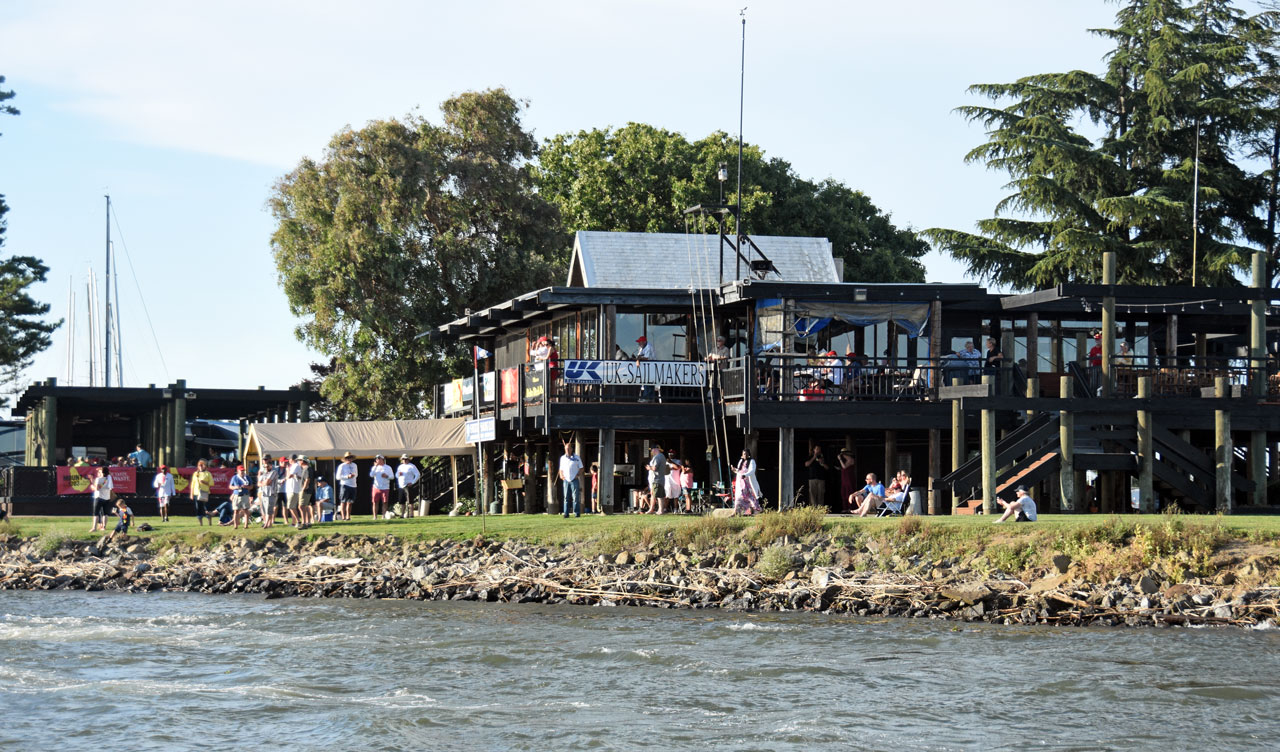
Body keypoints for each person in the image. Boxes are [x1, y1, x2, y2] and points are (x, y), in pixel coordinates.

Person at [558, 441, 583, 518]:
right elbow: (560, 469)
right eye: (566, 449)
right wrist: (561, 475)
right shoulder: (562, 458)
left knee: (575, 497)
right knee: (566, 497)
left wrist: (577, 475)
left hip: (574, 479)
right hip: (566, 480)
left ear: (572, 449)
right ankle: (566, 513)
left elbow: (581, 468)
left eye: (568, 449)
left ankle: (576, 513)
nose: (567, 450)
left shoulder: (576, 457)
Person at [733, 449, 761, 515]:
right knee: (739, 497)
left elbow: (752, 470)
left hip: (749, 483)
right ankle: (736, 512)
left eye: (746, 454)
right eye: (744, 454)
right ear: (742, 455)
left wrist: (745, 475)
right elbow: (739, 471)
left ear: (749, 455)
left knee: (751, 497)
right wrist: (734, 470)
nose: (745, 455)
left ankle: (754, 512)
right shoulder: (740, 461)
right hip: (741, 483)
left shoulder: (752, 461)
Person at [257, 454, 279, 528]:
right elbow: (258, 483)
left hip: (271, 492)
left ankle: (268, 523)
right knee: (263, 508)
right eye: (264, 459)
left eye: (266, 459)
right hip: (263, 492)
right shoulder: (262, 469)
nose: (264, 461)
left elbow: (267, 482)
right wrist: (263, 483)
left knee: (269, 509)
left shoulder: (274, 471)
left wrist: (263, 483)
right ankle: (266, 523)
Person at [369, 454, 394, 519]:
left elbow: (392, 477)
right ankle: (375, 516)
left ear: (382, 460)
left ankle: (383, 516)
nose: (377, 460)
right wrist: (375, 467)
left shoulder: (388, 467)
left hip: (385, 487)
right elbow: (371, 475)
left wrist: (387, 476)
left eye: (379, 459)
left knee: (385, 502)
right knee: (375, 502)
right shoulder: (374, 467)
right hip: (376, 487)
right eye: (376, 459)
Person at [805, 444, 829, 509]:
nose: (818, 450)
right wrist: (814, 457)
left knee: (821, 494)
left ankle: (820, 508)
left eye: (819, 449)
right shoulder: (810, 456)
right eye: (817, 449)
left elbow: (827, 468)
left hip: (821, 479)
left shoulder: (823, 457)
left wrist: (822, 463)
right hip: (812, 478)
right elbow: (806, 464)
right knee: (812, 494)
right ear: (814, 450)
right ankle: (813, 508)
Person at [190, 459, 214, 525]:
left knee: (207, 507)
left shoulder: (208, 473)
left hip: (205, 493)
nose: (200, 466)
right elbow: (192, 484)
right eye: (199, 465)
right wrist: (191, 494)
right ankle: (200, 523)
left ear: (205, 466)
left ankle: (209, 522)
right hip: (196, 493)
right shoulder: (195, 474)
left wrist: (204, 482)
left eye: (202, 465)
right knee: (198, 508)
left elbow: (212, 483)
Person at [90, 466, 113, 532]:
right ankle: (104, 527)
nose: (98, 473)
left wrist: (92, 486)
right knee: (105, 513)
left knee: (95, 513)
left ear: (102, 473)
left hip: (99, 497)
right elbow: (110, 487)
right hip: (107, 497)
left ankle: (94, 528)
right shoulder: (109, 478)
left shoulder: (98, 479)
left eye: (99, 472)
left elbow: (97, 488)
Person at [647, 443, 668, 514]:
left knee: (659, 495)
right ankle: (651, 509)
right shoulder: (659, 456)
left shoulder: (658, 457)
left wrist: (649, 467)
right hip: (655, 479)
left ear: (656, 449)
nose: (651, 451)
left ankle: (661, 510)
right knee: (653, 494)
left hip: (657, 479)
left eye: (652, 449)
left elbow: (655, 468)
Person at [337, 451, 358, 521]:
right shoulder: (342, 466)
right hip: (345, 485)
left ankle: (348, 516)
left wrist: (352, 475)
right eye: (347, 458)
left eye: (350, 457)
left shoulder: (355, 465)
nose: (349, 459)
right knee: (343, 501)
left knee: (350, 502)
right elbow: (338, 477)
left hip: (353, 485)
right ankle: (343, 517)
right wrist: (347, 477)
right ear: (345, 458)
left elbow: (356, 474)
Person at [229, 464, 252, 529]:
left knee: (246, 510)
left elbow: (251, 486)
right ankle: (235, 525)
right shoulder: (234, 478)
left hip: (245, 495)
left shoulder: (247, 477)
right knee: (236, 510)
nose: (242, 472)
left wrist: (246, 487)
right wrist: (235, 487)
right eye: (241, 470)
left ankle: (246, 525)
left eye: (243, 470)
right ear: (238, 471)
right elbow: (230, 486)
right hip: (237, 495)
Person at [636, 335, 656, 402]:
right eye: (639, 342)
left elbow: (646, 358)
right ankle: (650, 398)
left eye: (640, 342)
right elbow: (639, 355)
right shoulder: (642, 347)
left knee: (648, 382)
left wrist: (639, 358)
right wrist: (638, 358)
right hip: (647, 367)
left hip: (652, 367)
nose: (639, 343)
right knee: (647, 382)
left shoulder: (648, 346)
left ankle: (646, 398)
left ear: (644, 342)